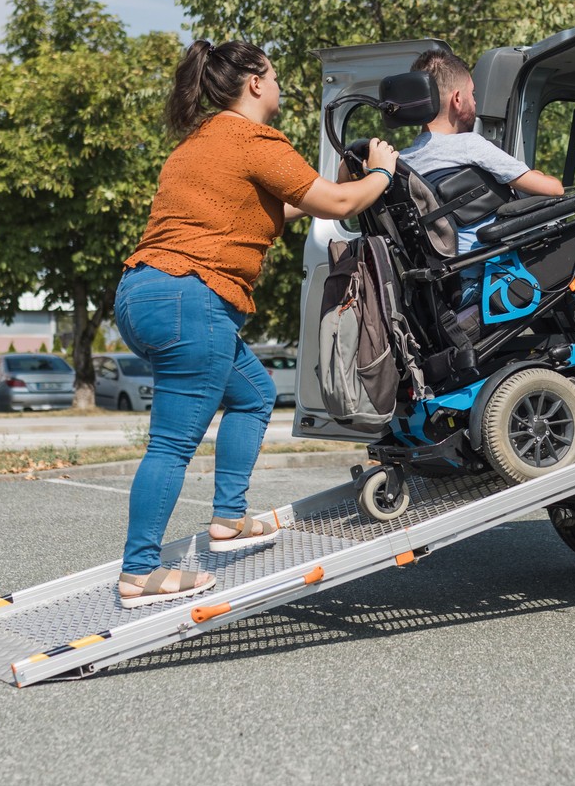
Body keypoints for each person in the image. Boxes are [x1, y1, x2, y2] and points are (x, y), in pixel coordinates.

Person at [114, 38, 399, 607]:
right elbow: (341, 207)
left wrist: (342, 181)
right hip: (192, 299)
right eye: (275, 75)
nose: (280, 86)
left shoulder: (197, 143)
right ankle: (139, 571)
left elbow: (282, 205)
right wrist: (382, 175)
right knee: (172, 444)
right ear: (254, 84)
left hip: (143, 292)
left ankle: (228, 518)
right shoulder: (254, 138)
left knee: (253, 393)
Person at [399, 47, 575, 330]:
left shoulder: (403, 163)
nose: (475, 101)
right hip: (487, 282)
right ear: (457, 100)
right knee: (562, 224)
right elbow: (552, 188)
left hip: (445, 289)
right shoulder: (470, 146)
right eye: (472, 94)